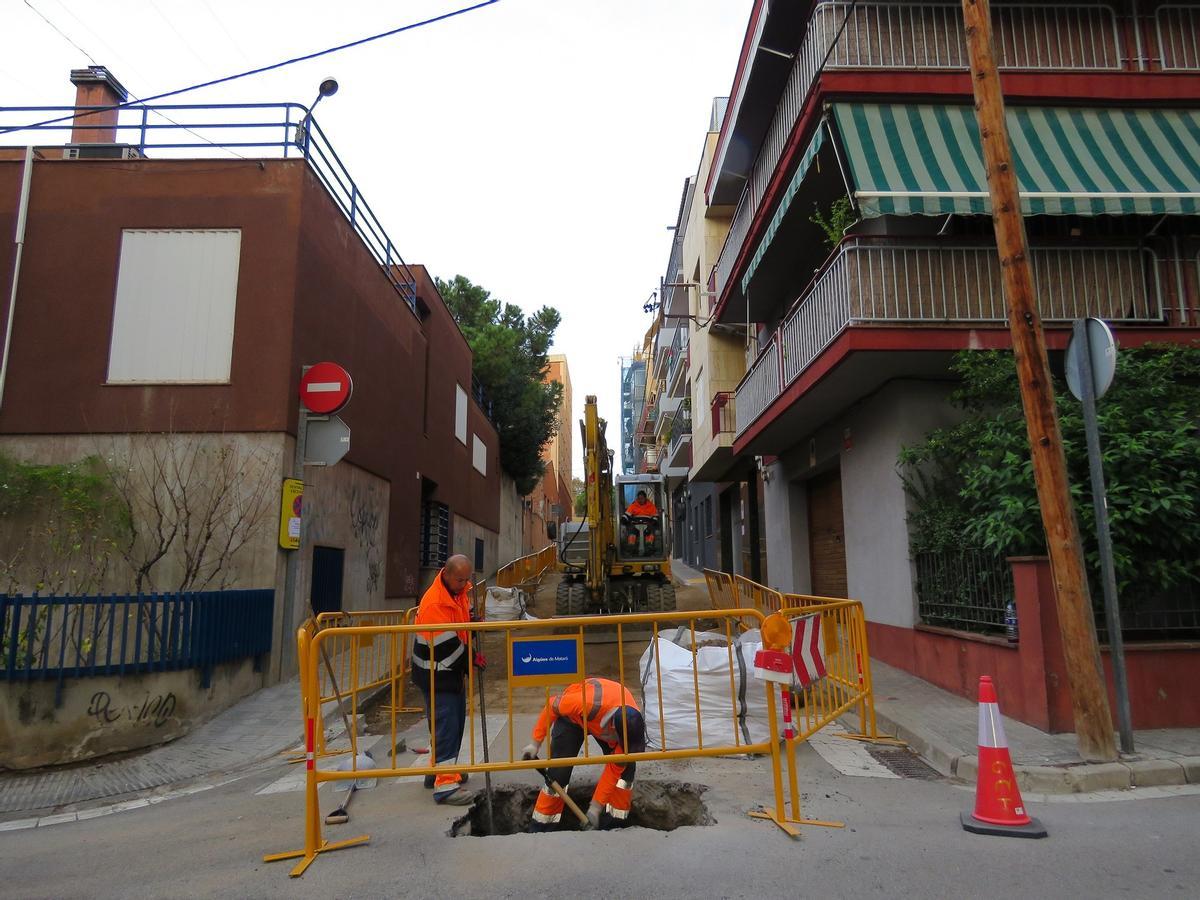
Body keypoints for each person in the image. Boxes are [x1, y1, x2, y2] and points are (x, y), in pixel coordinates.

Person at [521, 678, 646, 831]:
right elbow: (552, 706)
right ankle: (541, 826)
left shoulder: (630, 726)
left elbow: (613, 770)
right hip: (573, 719)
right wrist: (535, 743)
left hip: (605, 722)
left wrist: (594, 809)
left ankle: (614, 825)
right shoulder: (584, 703)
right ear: (611, 727)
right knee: (559, 773)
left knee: (626, 769)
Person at [411, 554, 485, 806]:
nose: (464, 585)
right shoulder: (435, 603)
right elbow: (446, 646)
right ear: (447, 574)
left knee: (450, 723)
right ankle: (445, 786)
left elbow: (460, 620)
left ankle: (439, 770)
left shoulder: (457, 591)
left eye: (466, 580)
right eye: (460, 580)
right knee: (446, 725)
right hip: (437, 671)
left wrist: (471, 622)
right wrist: (472, 658)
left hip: (446, 671)